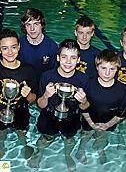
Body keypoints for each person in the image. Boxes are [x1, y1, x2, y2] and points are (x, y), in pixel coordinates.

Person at [28, 39, 88, 171]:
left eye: (73, 58)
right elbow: (41, 105)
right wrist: (46, 95)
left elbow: (85, 108)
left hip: (72, 117)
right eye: (64, 57)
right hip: (49, 115)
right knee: (45, 138)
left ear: (78, 60)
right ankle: (39, 154)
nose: (68, 62)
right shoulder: (47, 76)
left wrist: (83, 101)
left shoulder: (83, 79)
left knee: (69, 139)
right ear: (57, 58)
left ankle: (67, 155)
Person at [0, 28, 37, 159]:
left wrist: (28, 93)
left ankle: (24, 144)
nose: (10, 52)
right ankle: (1, 145)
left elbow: (33, 99)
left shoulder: (29, 71)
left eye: (13, 47)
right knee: (1, 131)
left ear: (19, 47)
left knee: (21, 130)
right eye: (5, 48)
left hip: (21, 109)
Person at [76, 49, 126, 165]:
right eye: (103, 68)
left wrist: (107, 125)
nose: (107, 73)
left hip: (109, 121)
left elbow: (122, 113)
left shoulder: (122, 90)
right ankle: (81, 149)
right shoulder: (88, 84)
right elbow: (82, 107)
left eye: (112, 69)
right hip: (88, 120)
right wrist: (91, 124)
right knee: (85, 135)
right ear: (96, 67)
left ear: (117, 70)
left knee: (103, 137)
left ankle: (100, 149)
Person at [19, 8, 58, 78]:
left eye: (36, 24)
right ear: (24, 27)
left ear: (42, 25)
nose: (32, 29)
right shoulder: (18, 44)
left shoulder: (52, 47)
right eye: (28, 25)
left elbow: (54, 73)